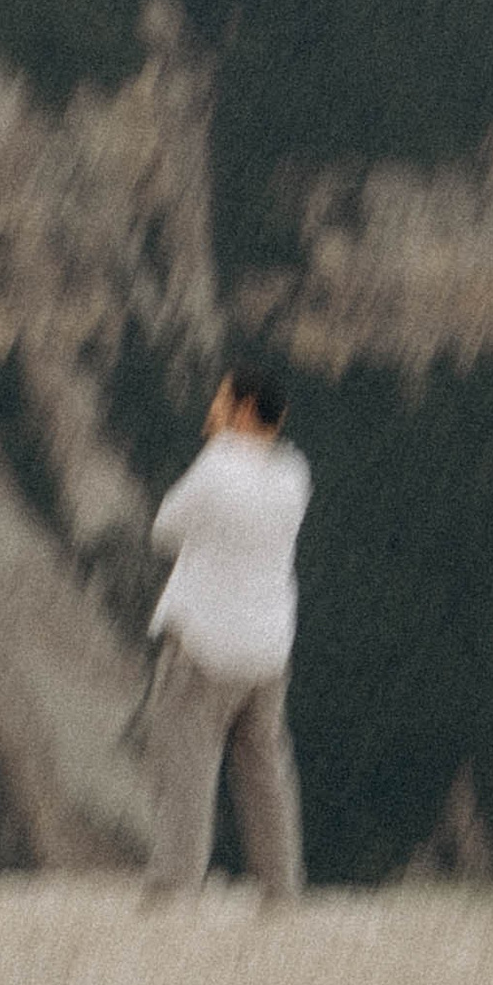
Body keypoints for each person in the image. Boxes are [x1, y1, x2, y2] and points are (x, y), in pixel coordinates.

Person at [141, 366, 310, 902]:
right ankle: (281, 887)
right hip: (269, 645)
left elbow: (165, 528)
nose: (210, 410)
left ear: (241, 411)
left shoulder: (215, 466)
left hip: (206, 642)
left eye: (220, 401)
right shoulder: (293, 473)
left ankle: (175, 886)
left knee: (186, 763)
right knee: (264, 769)